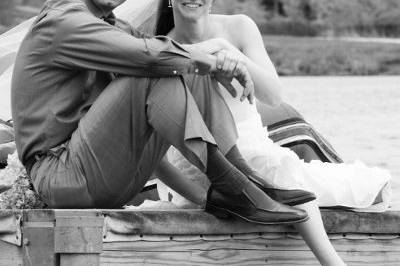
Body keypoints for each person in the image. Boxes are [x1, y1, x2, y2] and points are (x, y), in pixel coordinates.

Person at [8, 0, 314, 225]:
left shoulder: (111, 26)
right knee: (163, 65)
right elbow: (150, 58)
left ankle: (243, 181)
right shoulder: (63, 21)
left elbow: (167, 56)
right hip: (62, 177)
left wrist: (220, 63)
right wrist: (213, 58)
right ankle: (236, 188)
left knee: (181, 65)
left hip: (105, 178)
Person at [139, 0, 391, 264]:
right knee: (285, 180)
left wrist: (226, 50)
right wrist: (203, 198)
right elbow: (154, 160)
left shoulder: (239, 28)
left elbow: (273, 95)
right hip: (200, 173)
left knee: (375, 187)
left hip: (259, 154)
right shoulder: (160, 51)